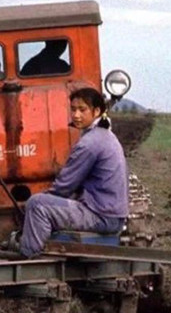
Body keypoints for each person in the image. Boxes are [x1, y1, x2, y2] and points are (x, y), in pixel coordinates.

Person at [19, 87, 128, 258]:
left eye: (82, 110)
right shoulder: (106, 136)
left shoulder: (89, 143)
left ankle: (28, 258)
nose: (76, 115)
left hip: (101, 216)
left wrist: (30, 207)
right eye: (73, 109)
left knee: (37, 205)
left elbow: (63, 187)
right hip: (113, 216)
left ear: (97, 111)